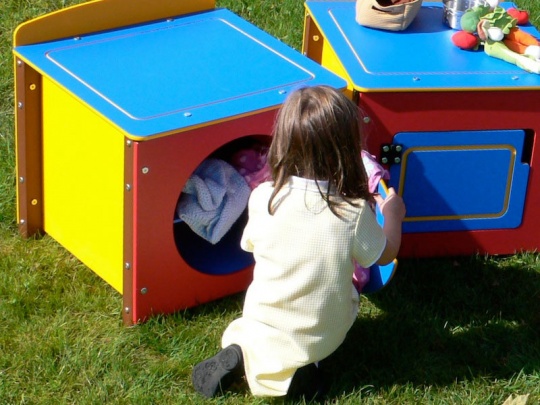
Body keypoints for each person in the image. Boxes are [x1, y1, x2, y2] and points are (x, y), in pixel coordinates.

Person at [191, 85, 406, 399]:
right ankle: (306, 367)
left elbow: (251, 246)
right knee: (346, 296)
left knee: (258, 325)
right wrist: (394, 215)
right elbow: (386, 256)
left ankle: (243, 352)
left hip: (261, 317)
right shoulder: (352, 211)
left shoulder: (264, 196)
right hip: (320, 329)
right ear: (348, 150)